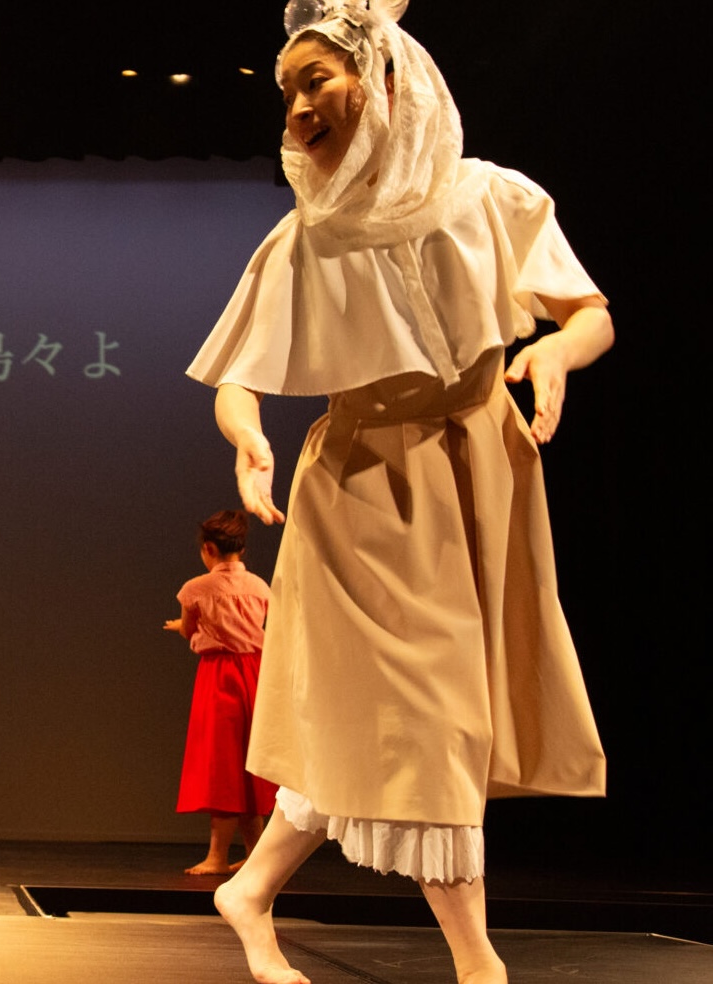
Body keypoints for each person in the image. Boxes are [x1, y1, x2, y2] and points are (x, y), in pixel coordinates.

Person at [185, 3, 612, 982]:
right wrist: (248, 440)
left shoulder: (491, 197)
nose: (296, 109)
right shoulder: (306, 241)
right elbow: (238, 378)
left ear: (385, 82)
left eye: (314, 82)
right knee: (429, 718)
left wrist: (555, 354)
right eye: (285, 92)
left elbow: (588, 312)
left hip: (482, 466)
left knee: (376, 718)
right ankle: (478, 965)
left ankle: (249, 889)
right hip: (367, 490)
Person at [163, 510, 275, 876]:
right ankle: (257, 856)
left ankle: (218, 856)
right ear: (241, 549)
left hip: (221, 674)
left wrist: (182, 627)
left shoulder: (196, 588)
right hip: (256, 673)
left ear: (208, 548)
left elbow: (190, 630)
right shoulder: (259, 586)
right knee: (249, 764)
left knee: (223, 764)